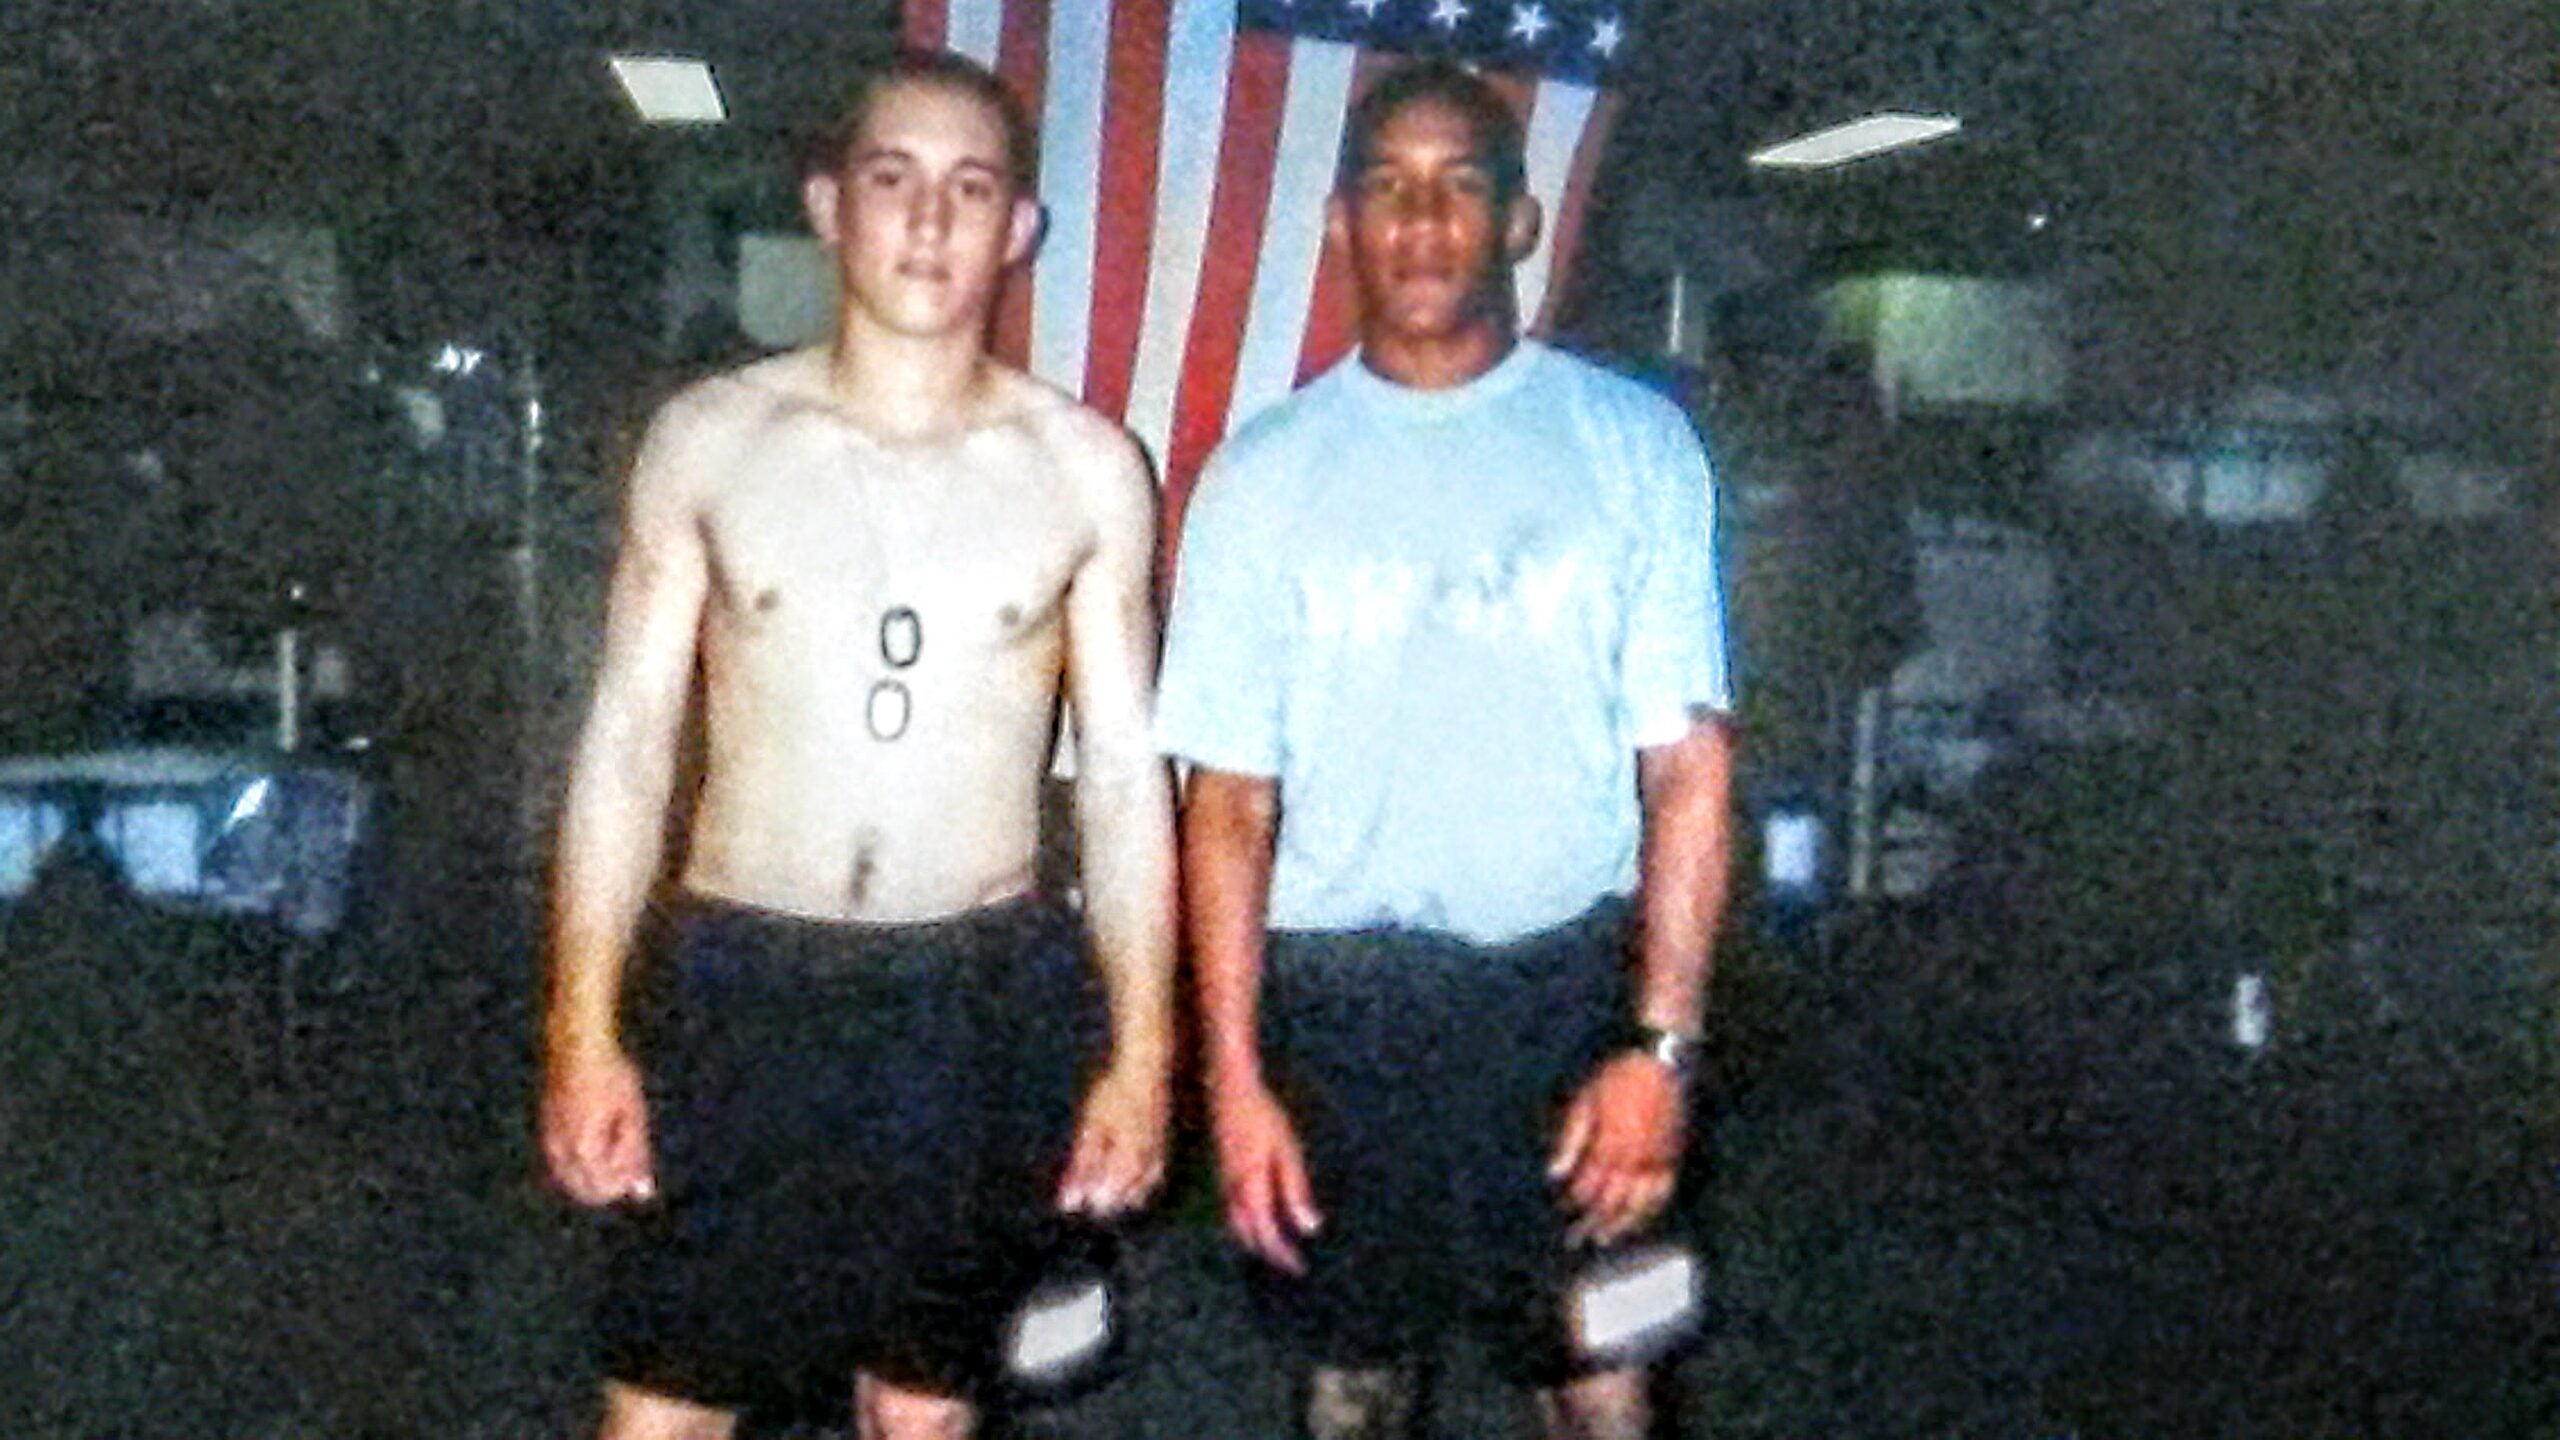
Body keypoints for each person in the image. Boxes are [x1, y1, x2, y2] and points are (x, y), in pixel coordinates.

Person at [539, 50, 1176, 1440]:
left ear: (1020, 230)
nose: (932, 224)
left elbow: (1127, 786)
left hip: (973, 1002)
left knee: (922, 1413)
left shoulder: (1085, 468)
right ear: (831, 208)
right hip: (740, 987)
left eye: (970, 189)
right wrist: (583, 1022)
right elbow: (631, 746)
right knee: (661, 1415)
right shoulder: (708, 440)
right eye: (894, 181)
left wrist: (1142, 1048)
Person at [1156, 60, 1737, 1440]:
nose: (1421, 222)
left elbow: (1691, 771)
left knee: (1604, 1383)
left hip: (1567, 996)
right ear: (1341, 224)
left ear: (1519, 224)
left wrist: (1658, 1048)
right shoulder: (1260, 475)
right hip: (1341, 1014)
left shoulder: (1633, 445)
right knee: (1352, 1392)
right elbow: (1226, 808)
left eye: (1460, 186)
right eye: (1387, 188)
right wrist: (1233, 1084)